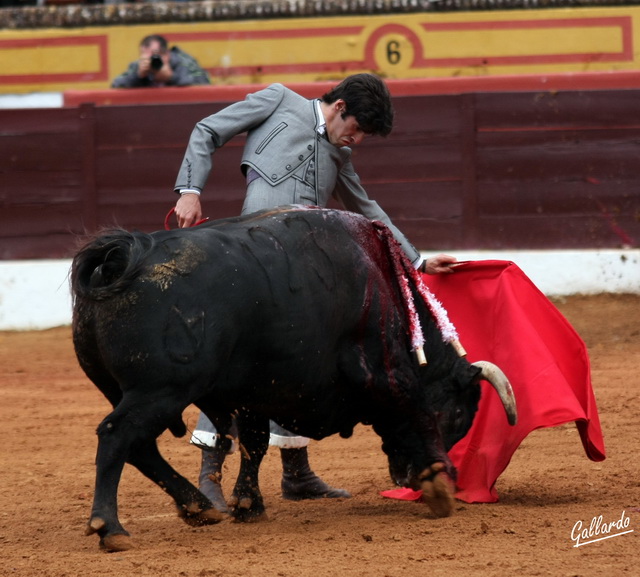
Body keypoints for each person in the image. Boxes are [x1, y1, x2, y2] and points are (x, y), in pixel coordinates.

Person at [173, 73, 457, 513]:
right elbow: (207, 130)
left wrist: (416, 260)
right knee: (235, 358)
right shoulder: (276, 99)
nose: (356, 140)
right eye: (357, 128)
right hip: (252, 261)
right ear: (340, 106)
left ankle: (296, 473)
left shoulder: (340, 155)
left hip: (302, 274)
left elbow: (367, 208)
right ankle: (210, 473)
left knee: (303, 362)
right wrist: (190, 191)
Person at [111, 34, 210, 89]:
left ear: (166, 54)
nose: (149, 60)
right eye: (145, 56)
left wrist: (172, 77)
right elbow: (116, 85)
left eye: (154, 56)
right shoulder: (139, 65)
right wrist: (138, 77)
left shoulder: (183, 62)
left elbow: (205, 83)